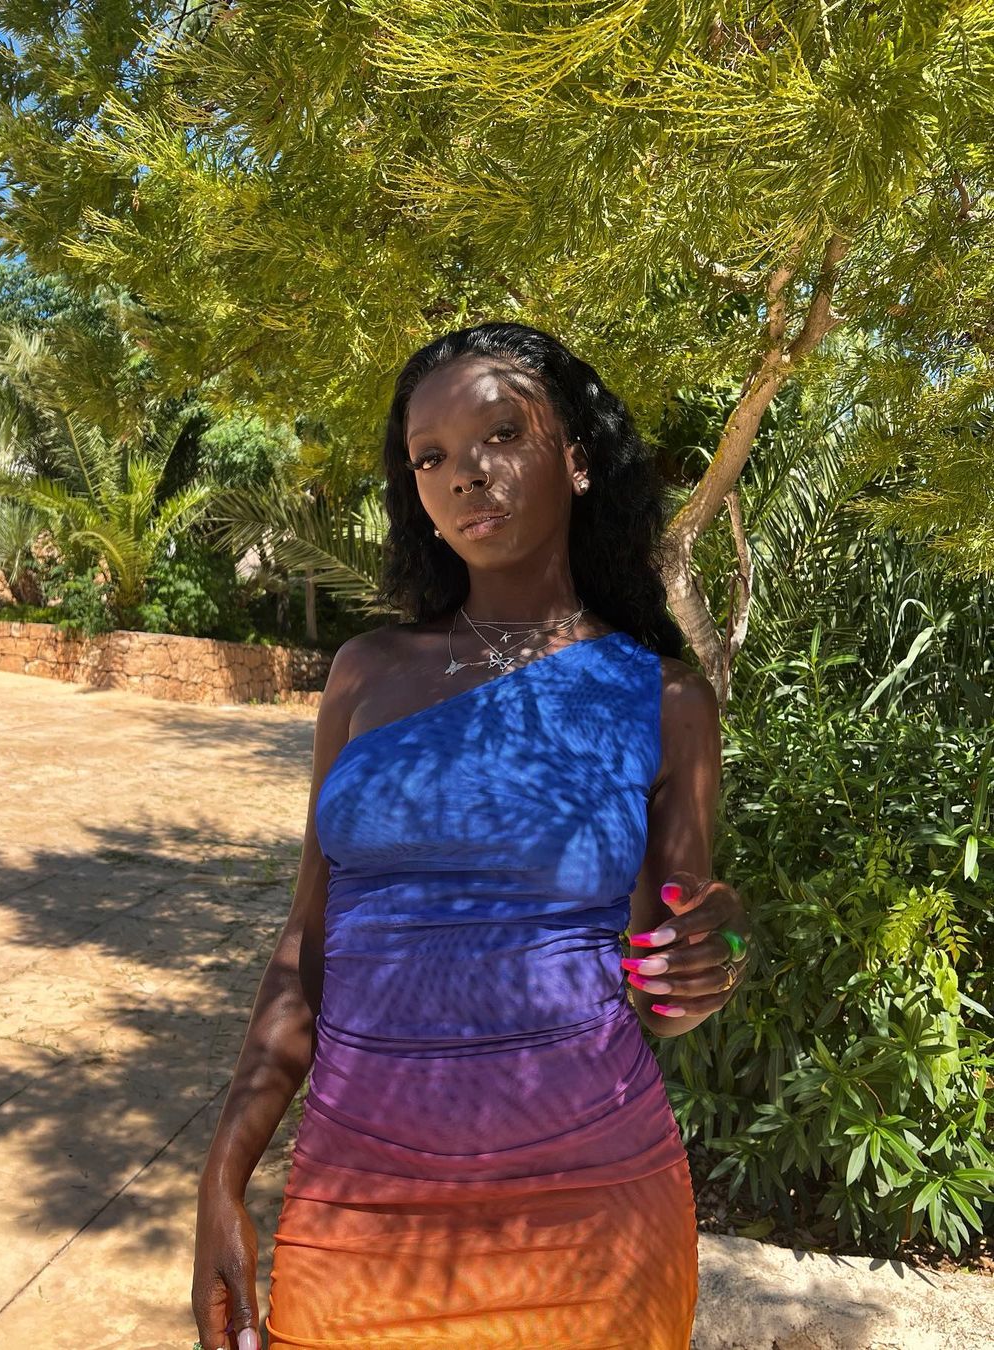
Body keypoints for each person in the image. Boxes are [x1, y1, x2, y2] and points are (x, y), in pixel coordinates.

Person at [192, 321, 753, 1350]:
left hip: (590, 1215)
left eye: (501, 435)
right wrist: (222, 1178)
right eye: (432, 456)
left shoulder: (664, 700)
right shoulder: (365, 674)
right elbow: (307, 947)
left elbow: (663, 994)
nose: (465, 474)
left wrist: (700, 965)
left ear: (576, 459)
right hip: (357, 1211)